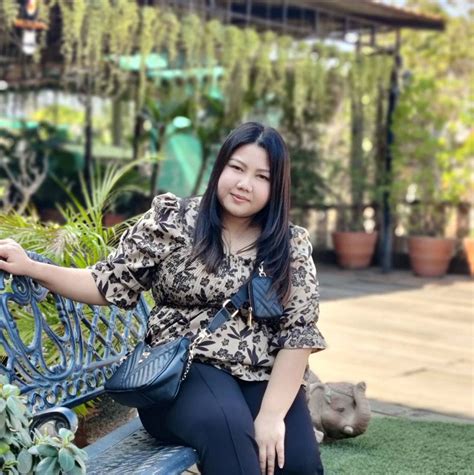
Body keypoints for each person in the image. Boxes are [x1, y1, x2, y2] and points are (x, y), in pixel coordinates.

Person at [0, 122, 327, 475]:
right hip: (181, 370)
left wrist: (272, 416)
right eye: (237, 168)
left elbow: (298, 334)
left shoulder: (288, 244)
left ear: (277, 187)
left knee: (297, 461)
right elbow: (106, 282)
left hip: (260, 373)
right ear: (220, 167)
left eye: (262, 177)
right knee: (228, 431)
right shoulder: (175, 220)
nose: (245, 183)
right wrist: (33, 267)